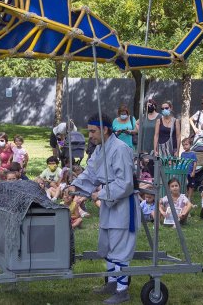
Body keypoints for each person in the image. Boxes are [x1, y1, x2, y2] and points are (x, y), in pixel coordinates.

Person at [67, 113, 139, 305]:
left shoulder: (121, 149)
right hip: (109, 203)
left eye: (92, 131)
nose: (89, 135)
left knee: (120, 247)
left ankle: (122, 291)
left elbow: (125, 183)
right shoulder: (100, 150)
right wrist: (74, 186)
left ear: (105, 130)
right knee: (107, 245)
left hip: (123, 205)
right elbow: (91, 173)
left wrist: (101, 193)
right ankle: (112, 283)